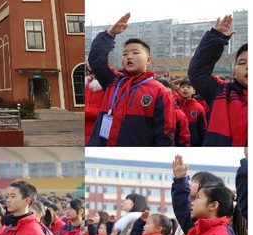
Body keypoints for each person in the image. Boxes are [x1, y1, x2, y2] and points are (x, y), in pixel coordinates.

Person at [87, 12, 176, 146]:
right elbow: (95, 59)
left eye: (135, 53)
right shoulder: (112, 80)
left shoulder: (160, 92)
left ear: (148, 60)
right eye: (125, 54)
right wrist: (110, 34)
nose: (129, 57)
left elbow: (164, 134)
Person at [188, 15, 248, 146]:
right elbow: (197, 73)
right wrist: (215, 39)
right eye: (242, 63)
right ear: (234, 72)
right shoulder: (220, 91)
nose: (248, 67)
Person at [177, 77, 207, 146]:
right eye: (183, 87)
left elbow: (202, 129)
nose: (185, 89)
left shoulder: (198, 108)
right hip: (177, 143)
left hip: (193, 144)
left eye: (188, 87)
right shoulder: (174, 105)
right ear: (179, 90)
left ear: (194, 91)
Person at [85, 62, 104, 144]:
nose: (89, 63)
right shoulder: (87, 83)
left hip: (96, 130)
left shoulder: (106, 85)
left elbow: (108, 111)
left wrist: (87, 112)